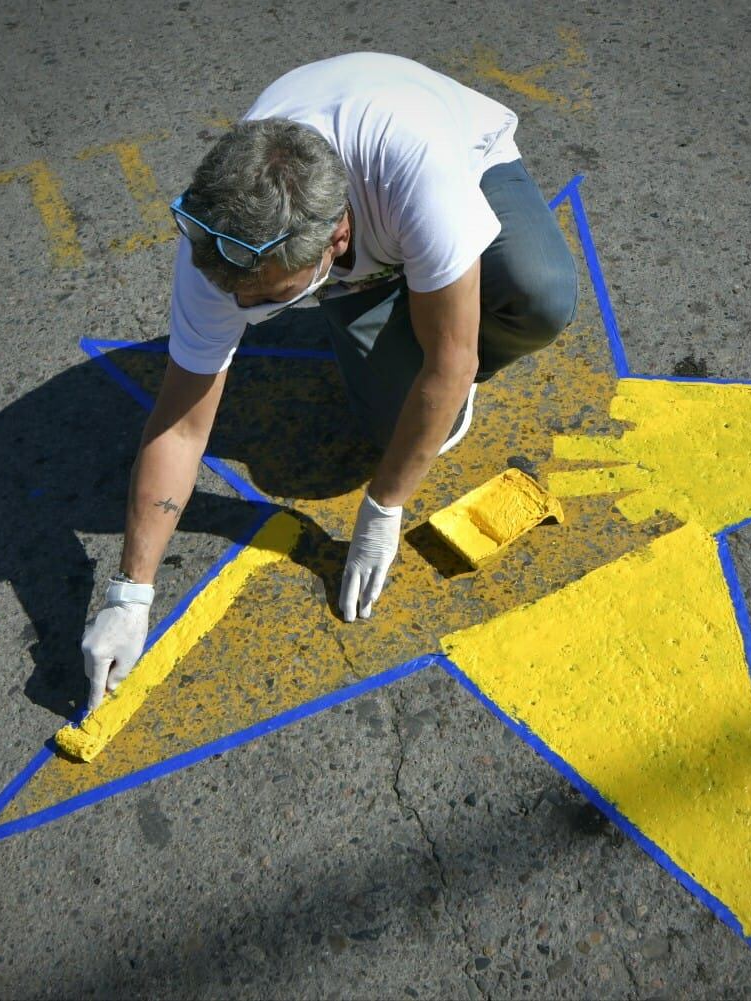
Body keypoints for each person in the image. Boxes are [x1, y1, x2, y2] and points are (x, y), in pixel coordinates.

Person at [81, 52, 578, 711]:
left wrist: (384, 507)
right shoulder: (218, 247)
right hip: (361, 245)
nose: (247, 312)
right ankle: (406, 293)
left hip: (460, 158)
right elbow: (180, 423)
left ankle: (430, 284)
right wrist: (129, 592)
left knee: (542, 297)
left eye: (271, 302)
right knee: (399, 422)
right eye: (243, 300)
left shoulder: (419, 173)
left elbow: (452, 363)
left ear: (338, 237)